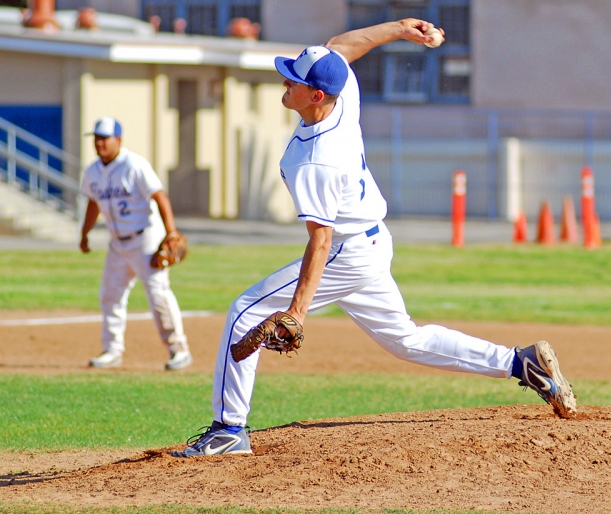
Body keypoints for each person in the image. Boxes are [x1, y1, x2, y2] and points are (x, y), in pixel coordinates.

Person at [172, 18, 576, 457]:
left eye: (294, 80)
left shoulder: (317, 161)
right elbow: (338, 47)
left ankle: (230, 429)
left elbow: (320, 242)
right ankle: (520, 362)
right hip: (372, 241)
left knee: (243, 313)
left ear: (316, 95)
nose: (284, 81)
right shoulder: (342, 98)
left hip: (346, 252)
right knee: (406, 340)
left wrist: (297, 312)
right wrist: (401, 28)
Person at [79, 116, 193, 371]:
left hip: (146, 240)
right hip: (117, 244)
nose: (99, 143)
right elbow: (93, 203)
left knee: (158, 295)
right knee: (110, 296)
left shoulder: (135, 165)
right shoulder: (92, 172)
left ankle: (179, 350)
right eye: (96, 138)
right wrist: (84, 234)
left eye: (104, 138)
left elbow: (160, 196)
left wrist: (171, 232)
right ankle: (112, 350)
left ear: (118, 140)